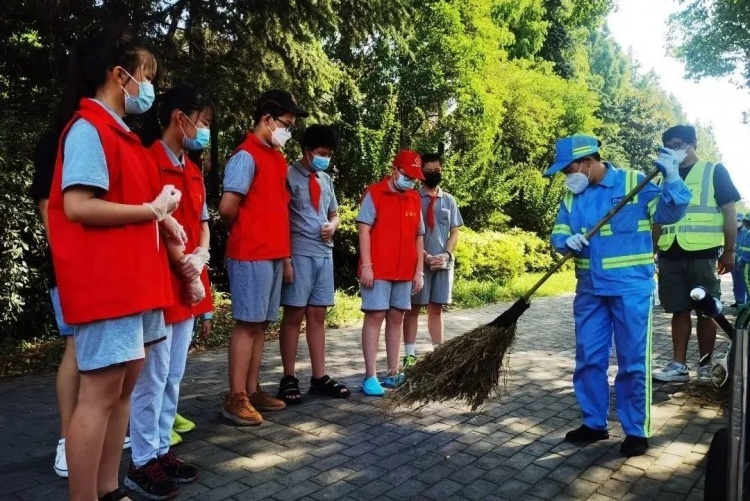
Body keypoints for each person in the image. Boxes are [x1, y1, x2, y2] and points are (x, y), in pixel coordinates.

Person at [47, 29, 179, 500]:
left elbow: (135, 202)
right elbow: (79, 205)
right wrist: (152, 212)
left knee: (122, 389)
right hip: (107, 285)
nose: (149, 87)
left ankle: (107, 489)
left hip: (134, 284)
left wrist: (165, 223)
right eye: (145, 75)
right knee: (99, 395)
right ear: (118, 75)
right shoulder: (88, 129)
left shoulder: (121, 134)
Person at [548, 134, 690, 457]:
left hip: (631, 289)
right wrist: (565, 241)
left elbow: (671, 213)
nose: (566, 177)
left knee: (633, 362)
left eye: (568, 169)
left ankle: (636, 430)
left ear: (587, 161)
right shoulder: (572, 198)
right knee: (588, 359)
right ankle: (594, 423)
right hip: (589, 289)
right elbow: (558, 232)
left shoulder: (633, 182)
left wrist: (672, 178)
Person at [125, 85, 215, 498]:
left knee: (174, 374)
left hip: (191, 286)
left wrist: (202, 253)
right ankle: (141, 461)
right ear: (180, 118)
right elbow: (152, 219)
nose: (204, 130)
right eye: (203, 122)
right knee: (152, 375)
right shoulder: (146, 161)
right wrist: (183, 262)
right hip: (161, 284)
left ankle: (161, 450)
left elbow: (202, 220)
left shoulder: (193, 169)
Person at [30, 127, 132, 480]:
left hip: (103, 270)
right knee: (76, 350)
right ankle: (66, 439)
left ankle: (103, 472)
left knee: (114, 374)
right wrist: (68, 262)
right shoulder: (68, 134)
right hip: (75, 270)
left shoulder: (110, 133)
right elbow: (49, 204)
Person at [218, 90, 309, 424]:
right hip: (250, 253)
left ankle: (252, 390)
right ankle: (235, 396)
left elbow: (279, 211)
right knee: (247, 324)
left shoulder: (276, 158)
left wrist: (284, 257)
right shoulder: (246, 156)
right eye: (285, 124)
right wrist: (245, 234)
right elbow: (228, 208)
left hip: (272, 255)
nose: (288, 131)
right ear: (267, 120)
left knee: (261, 325)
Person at [652, 125, 741, 383]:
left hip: (702, 253)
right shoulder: (663, 177)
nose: (673, 149)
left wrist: (730, 250)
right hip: (670, 252)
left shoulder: (714, 171)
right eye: (668, 145)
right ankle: (678, 365)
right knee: (678, 310)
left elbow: (729, 212)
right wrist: (653, 249)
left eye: (678, 144)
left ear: (693, 144)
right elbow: (657, 217)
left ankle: (704, 365)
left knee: (706, 310)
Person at [277, 125, 351, 404]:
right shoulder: (288, 175)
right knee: (294, 314)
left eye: (329, 154)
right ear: (307, 151)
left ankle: (319, 377)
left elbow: (335, 214)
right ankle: (288, 377)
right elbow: (280, 217)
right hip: (298, 251)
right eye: (321, 153)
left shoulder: (325, 179)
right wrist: (285, 259)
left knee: (318, 314)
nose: (326, 158)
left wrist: (333, 226)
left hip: (323, 253)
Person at [356, 150, 425, 396]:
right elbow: (364, 230)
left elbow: (419, 236)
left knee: (397, 318)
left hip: (405, 271)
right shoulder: (374, 194)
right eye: (408, 176)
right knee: (375, 317)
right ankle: (370, 376)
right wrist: (366, 266)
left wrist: (419, 271)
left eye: (415, 179)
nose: (411, 182)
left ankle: (393, 372)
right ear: (395, 170)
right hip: (378, 270)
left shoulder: (414, 198)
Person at [402, 153, 463, 369]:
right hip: (418, 263)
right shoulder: (411, 197)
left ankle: (438, 353)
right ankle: (409, 355)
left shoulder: (449, 200)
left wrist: (446, 255)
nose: (433, 174)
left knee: (436, 309)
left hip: (442, 263)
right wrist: (424, 256)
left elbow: (455, 231)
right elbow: (407, 232)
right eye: (428, 171)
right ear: (421, 174)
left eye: (436, 171)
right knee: (413, 309)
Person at [731, 213, 748, 307]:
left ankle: (743, 303)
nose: (736, 223)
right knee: (736, 282)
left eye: (738, 221)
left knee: (744, 283)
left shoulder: (746, 232)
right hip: (734, 261)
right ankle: (739, 301)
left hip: (743, 262)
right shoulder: (731, 231)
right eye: (735, 220)